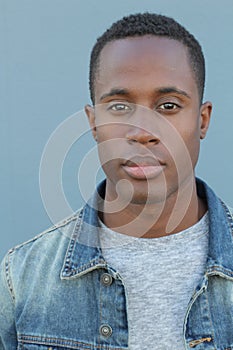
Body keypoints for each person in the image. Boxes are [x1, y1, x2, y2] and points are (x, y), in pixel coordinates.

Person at [0, 12, 233, 350]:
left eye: (168, 106)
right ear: (93, 124)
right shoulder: (21, 280)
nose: (142, 133)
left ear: (202, 120)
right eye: (120, 107)